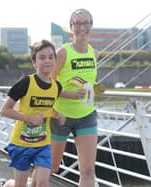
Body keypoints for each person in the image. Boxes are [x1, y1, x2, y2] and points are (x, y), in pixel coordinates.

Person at [0, 39, 65, 187]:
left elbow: (46, 109)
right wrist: (29, 118)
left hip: (43, 143)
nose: (47, 61)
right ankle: (5, 185)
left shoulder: (57, 87)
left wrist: (57, 115)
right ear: (34, 62)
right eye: (42, 57)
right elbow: (5, 110)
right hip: (21, 143)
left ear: (55, 60)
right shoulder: (26, 83)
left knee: (42, 183)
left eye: (50, 57)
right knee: (19, 185)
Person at [50, 8, 103, 187]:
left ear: (91, 26)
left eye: (86, 23)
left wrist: (96, 87)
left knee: (88, 170)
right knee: (51, 166)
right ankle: (11, 184)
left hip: (86, 116)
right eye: (78, 23)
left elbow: (88, 79)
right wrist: (68, 94)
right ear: (71, 27)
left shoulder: (94, 53)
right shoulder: (62, 53)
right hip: (60, 116)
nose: (82, 27)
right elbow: (47, 85)